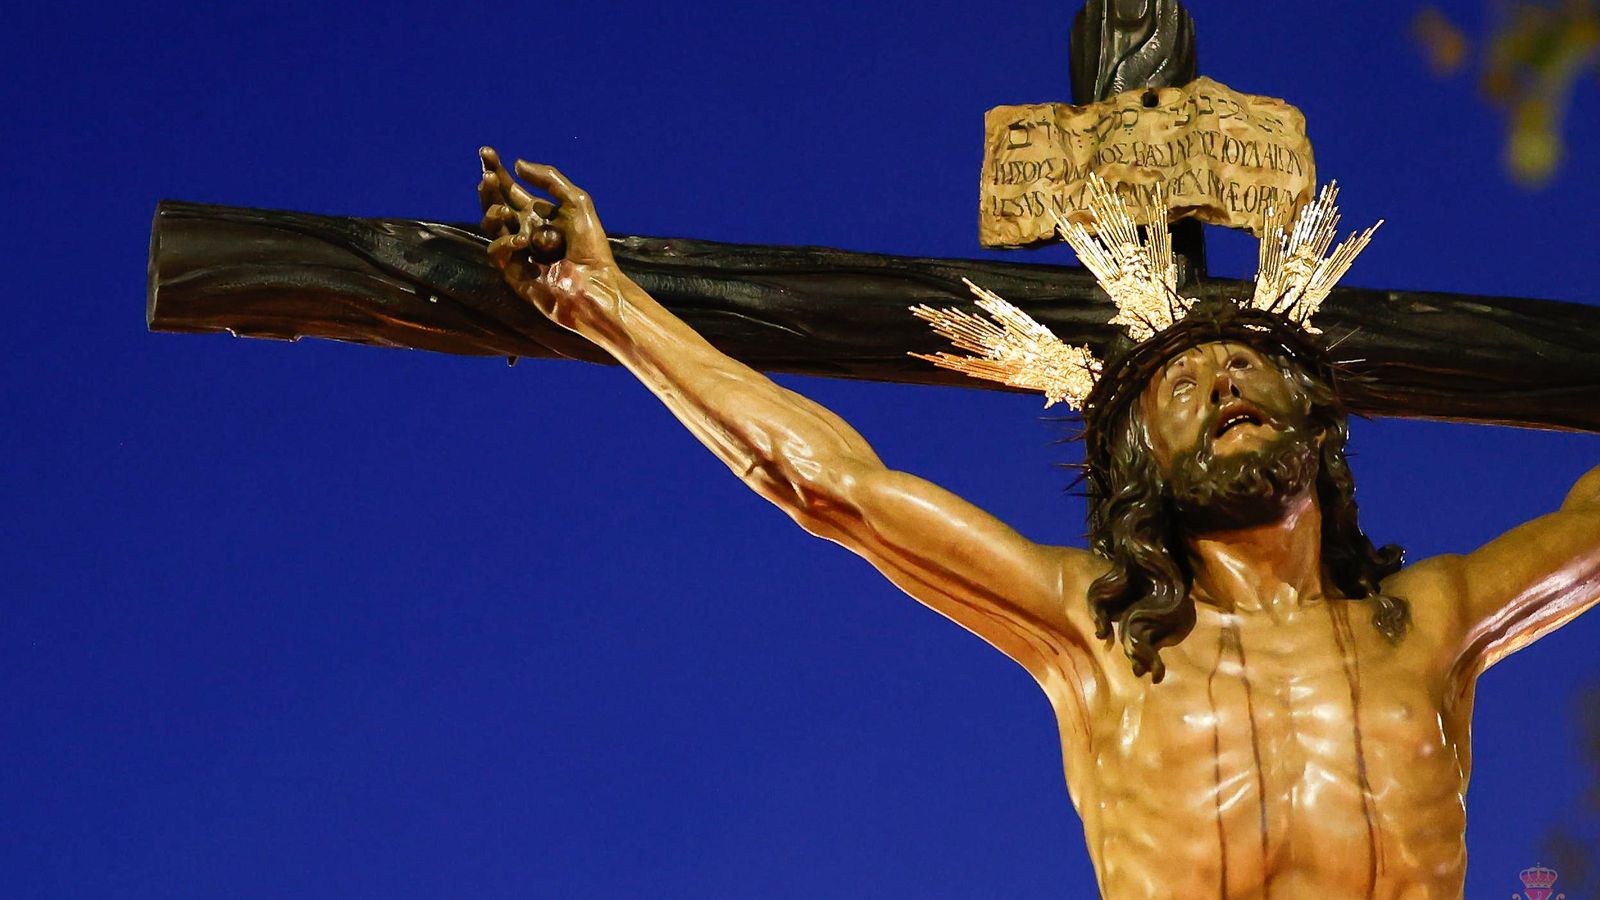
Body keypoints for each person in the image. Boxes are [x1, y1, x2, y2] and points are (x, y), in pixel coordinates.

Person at [477, 146, 1600, 898]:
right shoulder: (1096, 635)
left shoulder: (1430, 620)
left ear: (1318, 427)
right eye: (1182, 386)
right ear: (1140, 469)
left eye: (1245, 366)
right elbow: (835, 487)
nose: (1220, 384)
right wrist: (603, 304)